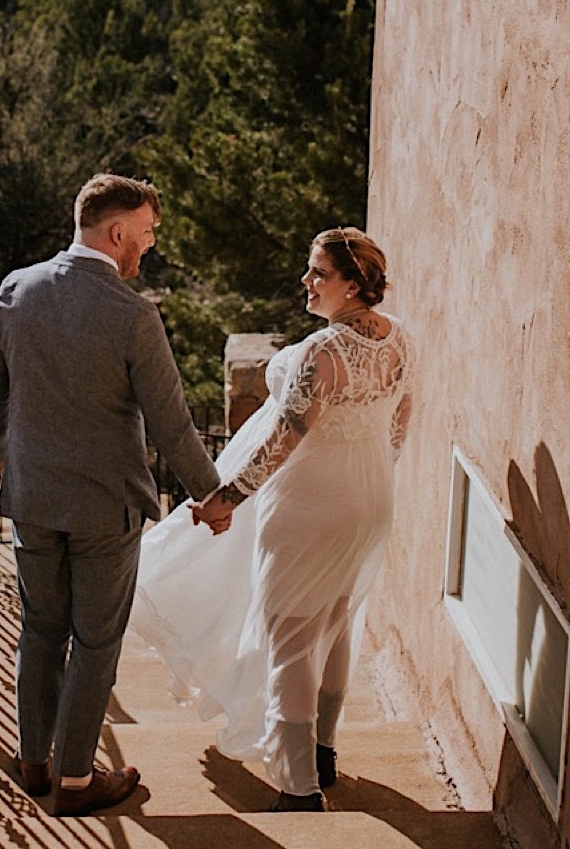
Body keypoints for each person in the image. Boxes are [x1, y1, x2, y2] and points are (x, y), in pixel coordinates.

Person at [134, 227, 414, 811]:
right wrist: (367, 471)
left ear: (355, 283)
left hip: (308, 507)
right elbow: (398, 426)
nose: (305, 282)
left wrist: (227, 499)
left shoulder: (323, 351)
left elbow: (284, 439)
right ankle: (324, 750)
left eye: (318, 273)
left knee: (289, 638)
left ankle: (298, 787)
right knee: (337, 624)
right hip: (370, 502)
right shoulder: (401, 343)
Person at [0, 173, 223, 817]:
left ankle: (33, 763)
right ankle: (78, 781)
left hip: (31, 498)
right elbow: (171, 422)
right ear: (116, 234)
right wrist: (212, 495)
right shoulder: (132, 316)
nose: (146, 249)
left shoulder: (14, 291)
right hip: (104, 508)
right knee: (94, 640)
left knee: (39, 627)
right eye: (143, 236)